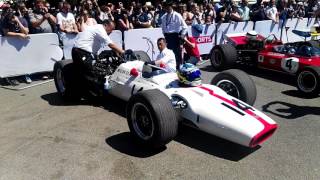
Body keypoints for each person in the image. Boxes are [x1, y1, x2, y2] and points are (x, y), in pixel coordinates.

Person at [161, 1, 188, 69]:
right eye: (165, 7)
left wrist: (182, 36)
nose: (167, 8)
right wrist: (165, 34)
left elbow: (185, 27)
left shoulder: (177, 15)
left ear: (171, 6)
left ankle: (178, 69)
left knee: (176, 54)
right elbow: (163, 28)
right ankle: (170, 68)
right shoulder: (164, 17)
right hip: (167, 37)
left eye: (168, 6)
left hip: (175, 37)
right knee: (168, 54)